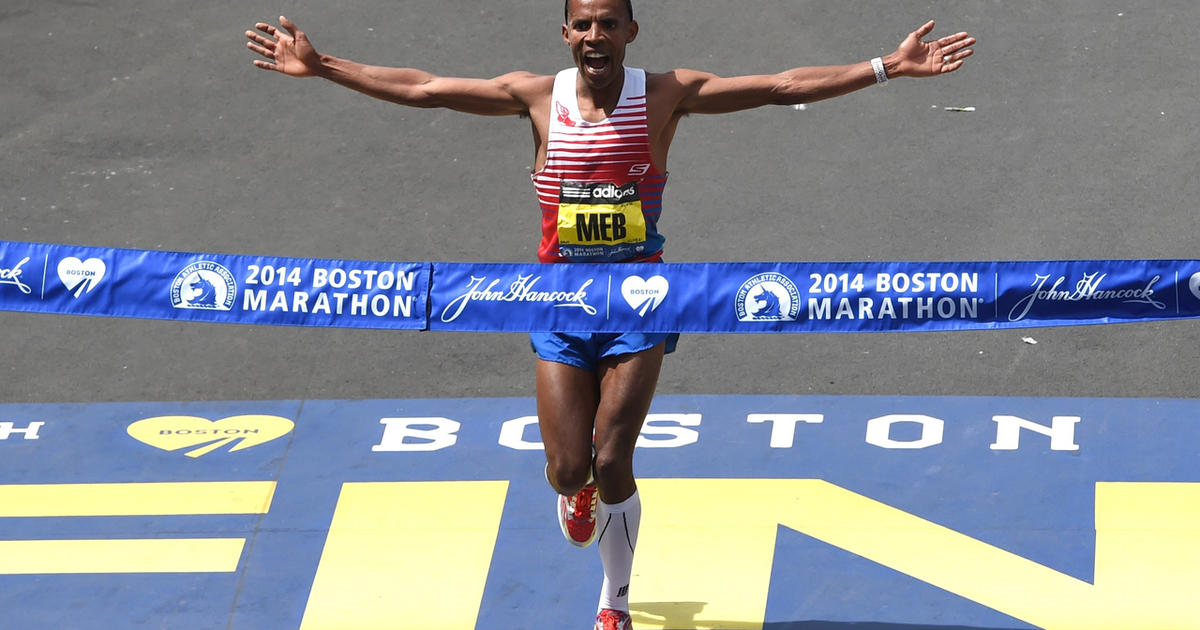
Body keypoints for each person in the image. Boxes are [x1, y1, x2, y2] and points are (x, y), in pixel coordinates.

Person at [245, 2, 974, 628]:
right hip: (558, 304)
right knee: (569, 469)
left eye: (609, 23)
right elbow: (428, 88)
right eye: (583, 23)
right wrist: (324, 64)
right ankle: (578, 494)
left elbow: (782, 86)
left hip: (639, 303)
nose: (596, 35)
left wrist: (887, 65)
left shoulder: (666, 95)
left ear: (631, 31)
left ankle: (614, 602)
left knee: (612, 454)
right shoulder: (535, 97)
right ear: (566, 33)